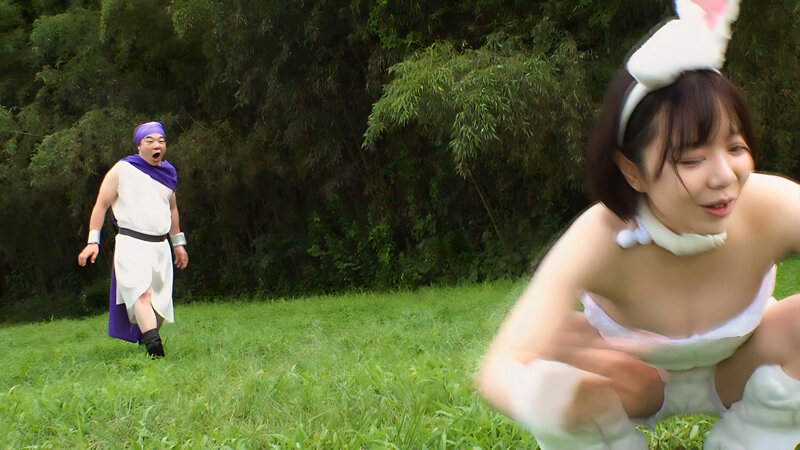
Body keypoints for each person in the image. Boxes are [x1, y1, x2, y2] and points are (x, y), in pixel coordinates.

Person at [476, 1, 800, 448]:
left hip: (743, 369)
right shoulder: (599, 237)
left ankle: (754, 436)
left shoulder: (772, 204)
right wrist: (550, 396)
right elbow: (499, 367)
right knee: (550, 361)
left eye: (735, 147)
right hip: (631, 381)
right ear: (632, 171)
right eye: (691, 158)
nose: (724, 175)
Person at [78, 121, 188, 357]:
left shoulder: (168, 174)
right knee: (142, 294)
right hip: (131, 244)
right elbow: (101, 204)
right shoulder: (122, 169)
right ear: (139, 145)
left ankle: (146, 338)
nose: (157, 145)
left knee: (160, 304)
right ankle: (155, 351)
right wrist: (92, 241)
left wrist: (178, 244)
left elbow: (172, 209)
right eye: (150, 141)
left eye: (161, 141)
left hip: (160, 247)